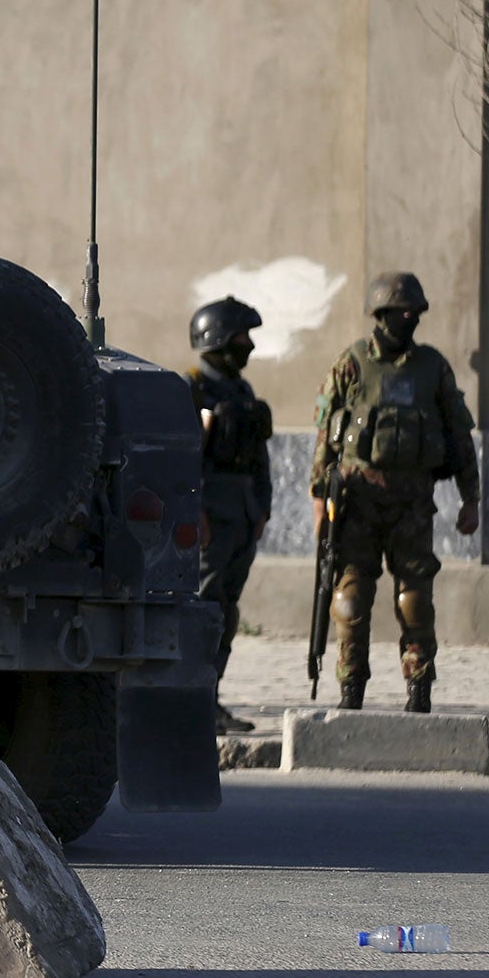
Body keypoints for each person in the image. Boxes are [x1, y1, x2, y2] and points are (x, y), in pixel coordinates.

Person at [309, 271, 479, 713]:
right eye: (405, 311)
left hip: (413, 504)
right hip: (357, 501)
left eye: (416, 312)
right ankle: (351, 690)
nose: (412, 318)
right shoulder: (351, 363)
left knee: (415, 598)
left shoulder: (432, 368)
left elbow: (460, 435)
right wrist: (317, 504)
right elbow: (326, 436)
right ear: (382, 314)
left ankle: (419, 688)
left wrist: (471, 498)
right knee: (350, 599)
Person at [186, 297, 273, 733]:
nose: (249, 345)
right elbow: (186, 458)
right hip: (211, 513)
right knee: (206, 607)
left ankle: (212, 697)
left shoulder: (242, 392)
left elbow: (260, 457)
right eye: (242, 337)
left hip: (241, 511)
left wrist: (264, 507)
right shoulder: (194, 387)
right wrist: (195, 509)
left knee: (227, 609)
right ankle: (194, 701)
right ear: (218, 338)